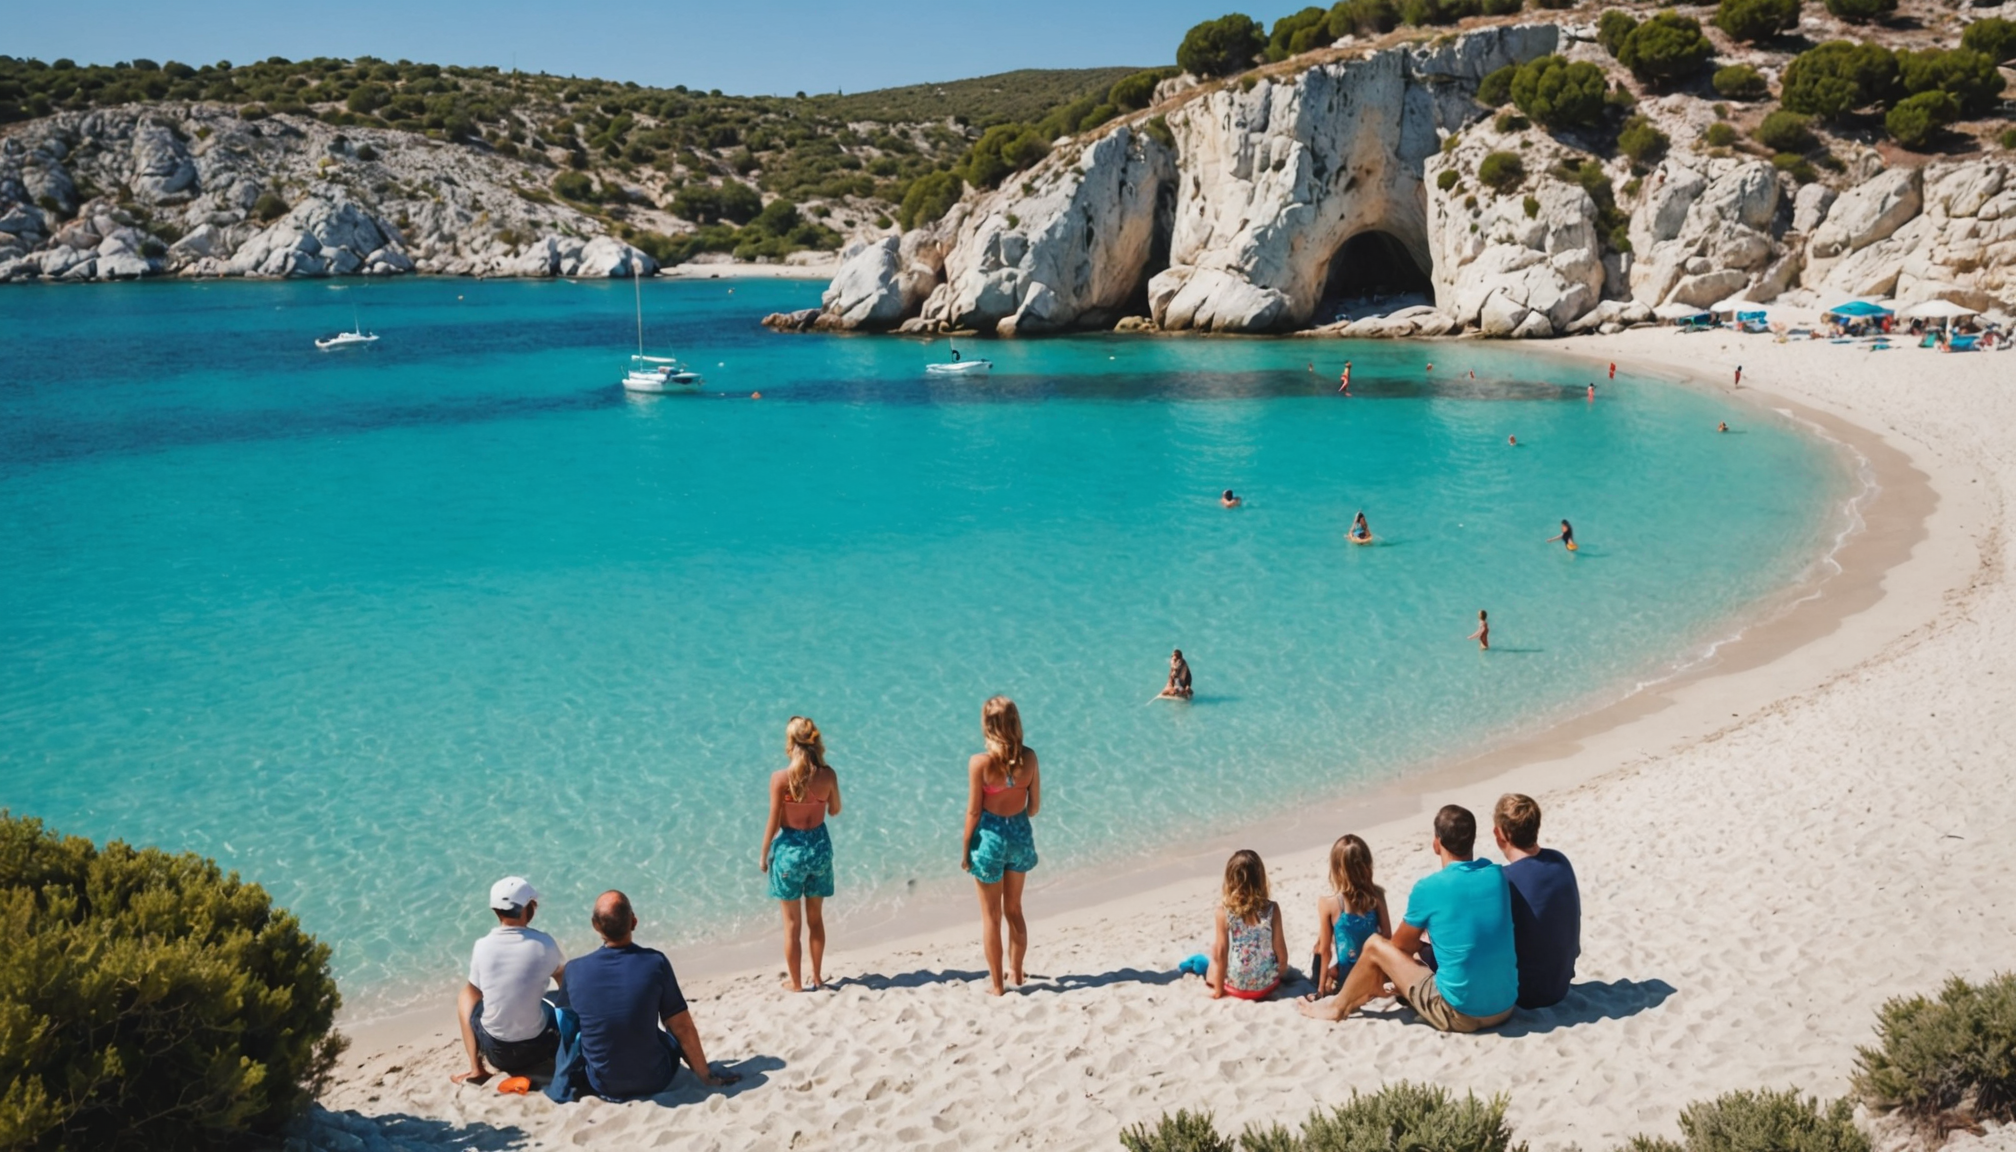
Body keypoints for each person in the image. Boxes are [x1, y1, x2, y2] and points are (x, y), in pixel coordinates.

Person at [1298, 805, 1517, 1032]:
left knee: (1374, 945)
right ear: (1473, 839)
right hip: (1505, 1006)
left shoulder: (1428, 887)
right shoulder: (1496, 875)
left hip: (1460, 1014)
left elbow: (1398, 948)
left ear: (1436, 843)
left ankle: (1336, 1006)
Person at [547, 891, 738, 1102]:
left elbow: (567, 1027)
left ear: (596, 926)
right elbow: (681, 1026)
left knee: (575, 1025)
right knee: (665, 1034)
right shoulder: (655, 963)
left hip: (603, 1083)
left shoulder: (574, 970)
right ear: (634, 921)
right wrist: (705, 1075)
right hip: (656, 1078)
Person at [962, 696, 1042, 995]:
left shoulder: (979, 763)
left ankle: (997, 986)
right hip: (1020, 837)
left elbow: (973, 812)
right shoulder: (1031, 758)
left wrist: (965, 849)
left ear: (987, 725)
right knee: (1015, 910)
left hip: (990, 841)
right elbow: (1033, 807)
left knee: (991, 917)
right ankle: (1017, 973)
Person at [454, 876, 566, 1086]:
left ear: (495, 910)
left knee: (467, 994)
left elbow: (476, 991)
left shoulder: (483, 946)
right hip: (540, 1048)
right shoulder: (544, 943)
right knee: (555, 995)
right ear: (527, 909)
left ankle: (476, 1069)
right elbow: (564, 982)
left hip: (498, 1054)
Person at [760, 716, 843, 992]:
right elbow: (835, 809)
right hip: (819, 849)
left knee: (792, 925)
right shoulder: (828, 774)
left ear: (790, 743)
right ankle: (817, 977)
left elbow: (773, 821)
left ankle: (796, 983)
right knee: (816, 919)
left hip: (789, 853)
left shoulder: (780, 779)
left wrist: (763, 855)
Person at [1493, 794, 1580, 1010]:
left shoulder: (1505, 880)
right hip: (1561, 984)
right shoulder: (1560, 860)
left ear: (1499, 834)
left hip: (1526, 993)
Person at [1305, 834, 1390, 1000]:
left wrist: (1320, 990)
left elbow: (1325, 951)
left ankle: (1326, 982)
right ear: (1368, 864)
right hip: (1371, 975)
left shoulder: (1328, 903)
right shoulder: (1377, 895)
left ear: (1336, 869)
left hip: (1346, 980)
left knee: (1318, 945)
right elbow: (1387, 935)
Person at [1206, 849, 1289, 1001]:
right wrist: (1280, 974)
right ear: (1260, 878)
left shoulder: (1223, 912)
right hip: (1267, 985)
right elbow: (1280, 951)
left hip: (1238, 986)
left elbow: (1222, 953)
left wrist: (1218, 990)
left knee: (1213, 954)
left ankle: (1213, 982)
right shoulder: (1272, 909)